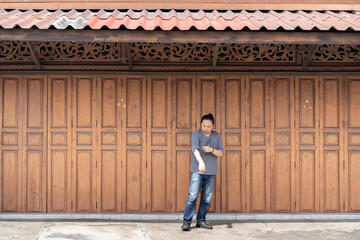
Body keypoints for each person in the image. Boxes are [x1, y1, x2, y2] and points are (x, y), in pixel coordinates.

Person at [181, 113, 224, 231]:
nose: (205, 128)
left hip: (211, 173)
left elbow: (221, 153)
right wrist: (200, 162)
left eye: (208, 126)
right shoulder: (196, 134)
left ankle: (201, 221)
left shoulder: (217, 136)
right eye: (203, 125)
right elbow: (195, 149)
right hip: (197, 171)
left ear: (213, 126)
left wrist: (212, 150)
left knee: (206, 199)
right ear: (201, 125)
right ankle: (186, 222)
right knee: (193, 196)